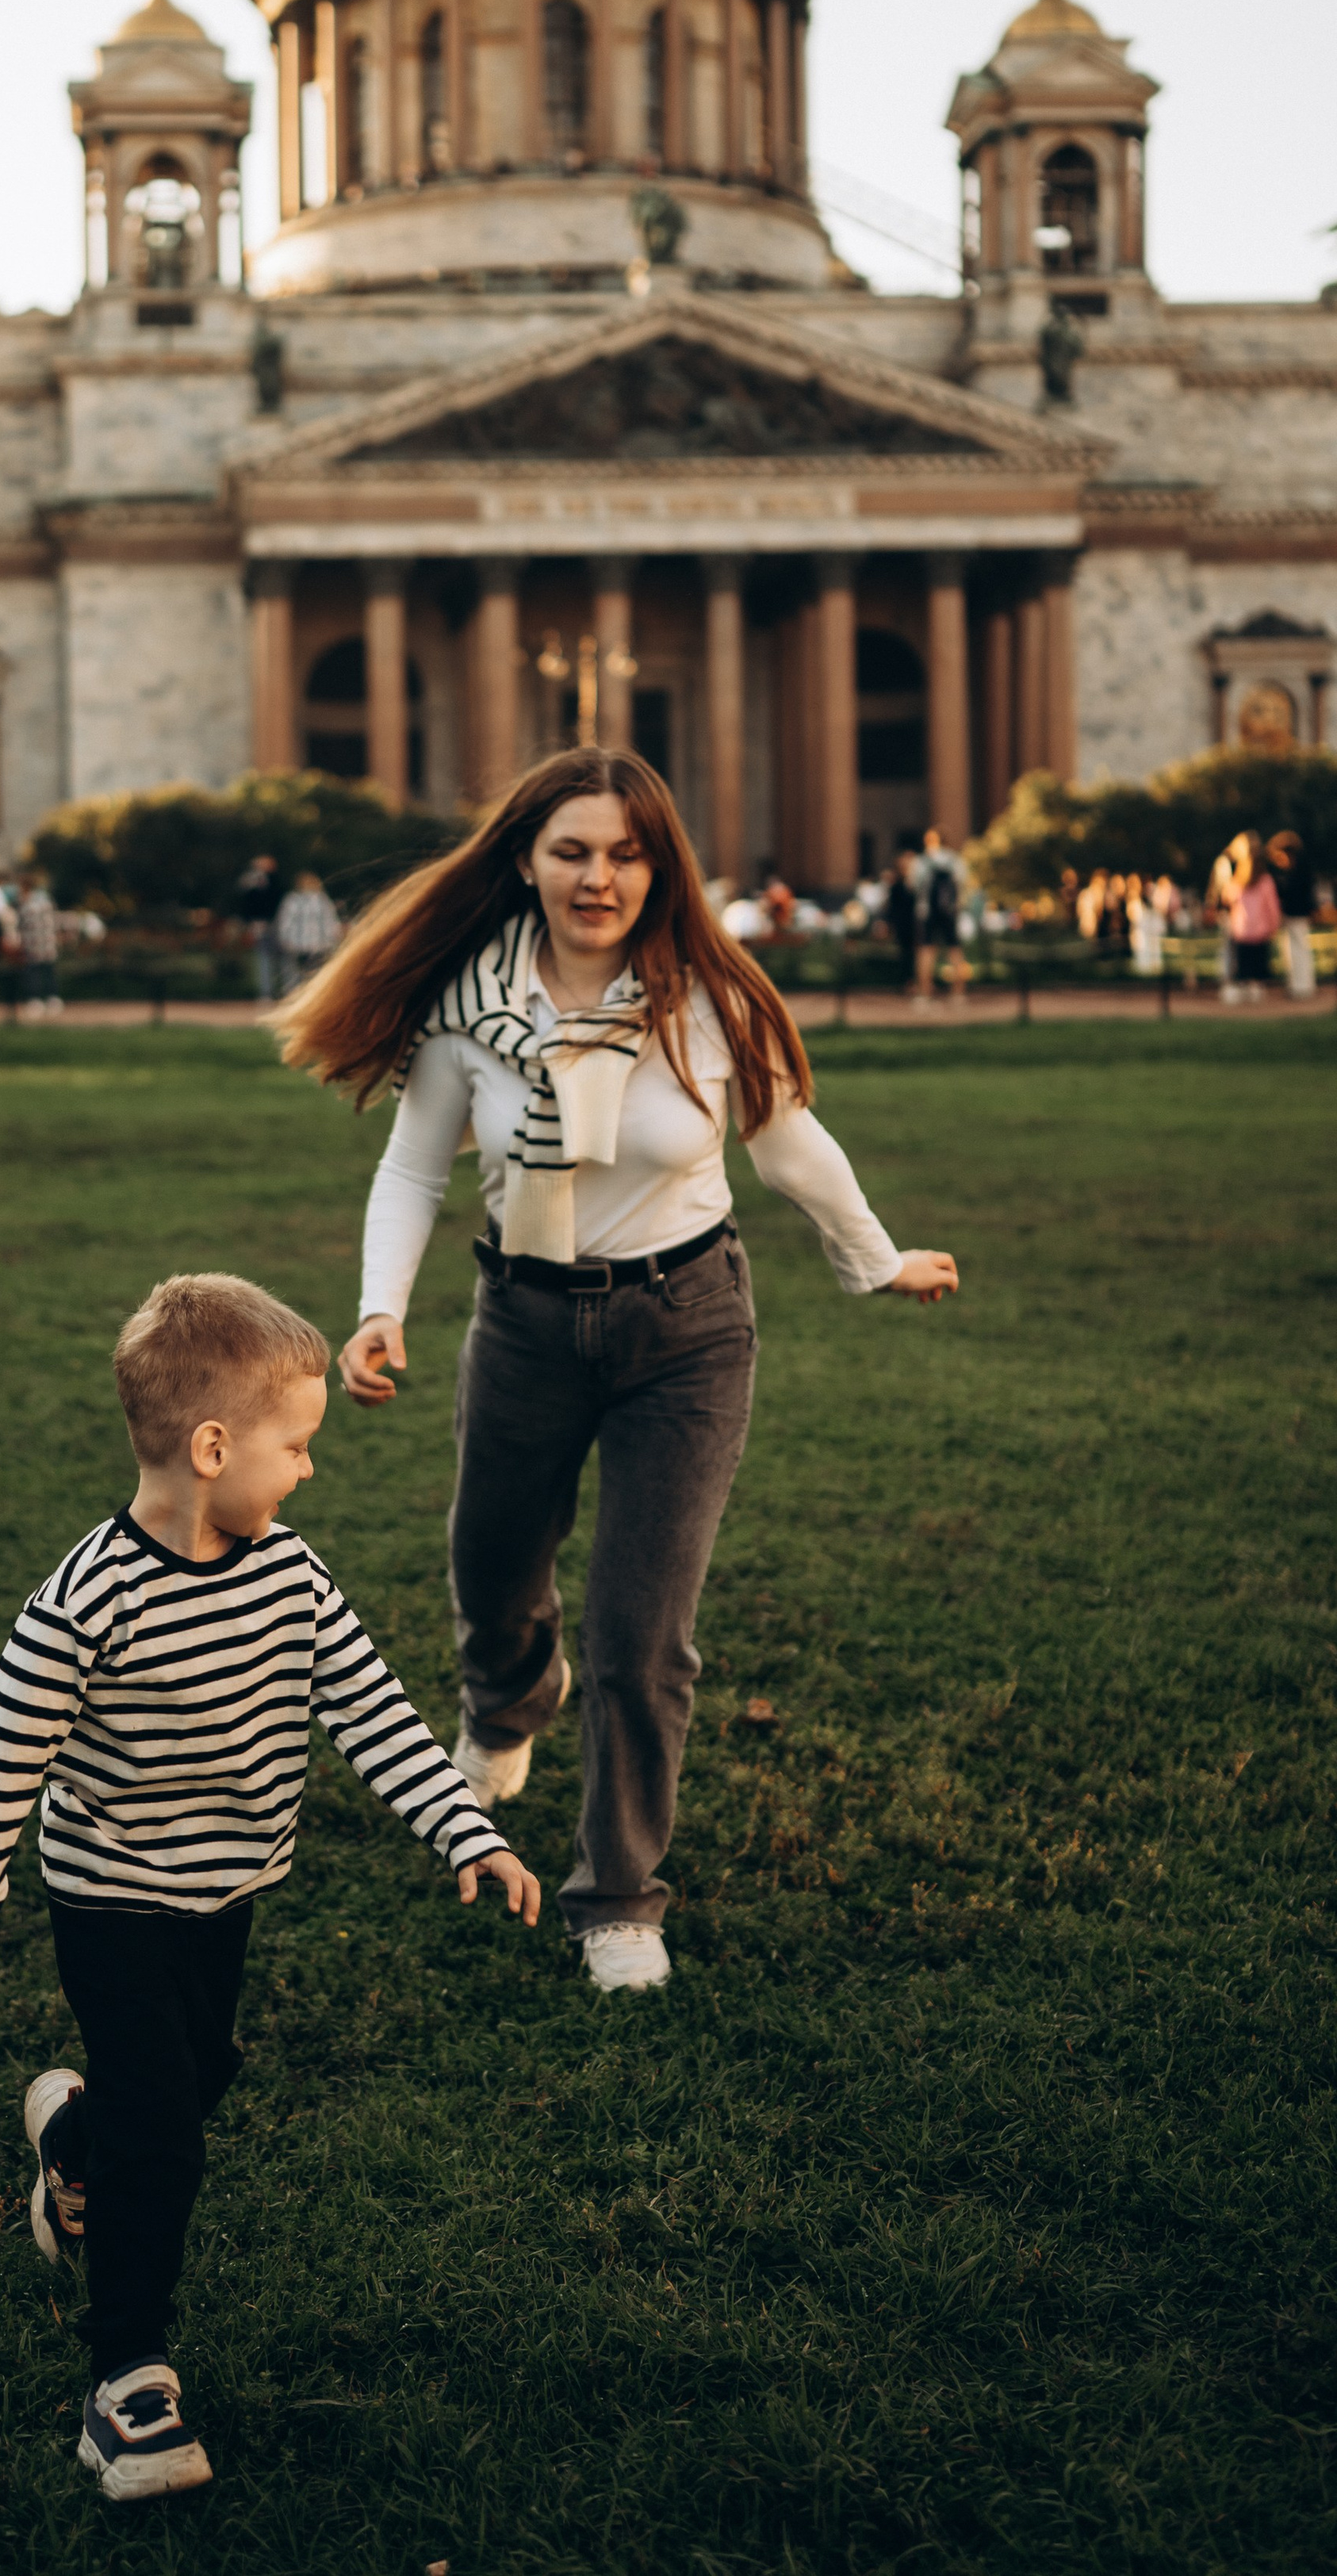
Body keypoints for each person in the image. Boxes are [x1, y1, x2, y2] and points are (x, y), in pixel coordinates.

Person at [279, 747, 958, 1995]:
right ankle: (503, 1706)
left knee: (643, 1632)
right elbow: (414, 1167)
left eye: (628, 850)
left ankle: (619, 1892)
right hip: (523, 1322)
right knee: (493, 1572)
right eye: (574, 849)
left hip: (686, 1325)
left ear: (661, 863)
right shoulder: (469, 1002)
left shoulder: (706, 997)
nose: (601, 876)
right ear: (527, 859)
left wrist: (876, 1257)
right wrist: (379, 1308)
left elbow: (786, 1138)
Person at [0, 1275, 538, 2503]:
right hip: (113, 1898)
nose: (307, 1470)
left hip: (227, 1889)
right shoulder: (83, 1605)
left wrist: (465, 1829)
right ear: (213, 1444)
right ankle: (127, 2378)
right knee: (168, 2130)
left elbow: (371, 1707)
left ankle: (72, 2140)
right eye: (297, 1444)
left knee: (191, 2079)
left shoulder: (288, 1573)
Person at [1223, 835, 1280, 1003]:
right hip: (1260, 930)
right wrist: (1273, 926)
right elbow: (1272, 907)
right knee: (1258, 967)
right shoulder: (1266, 881)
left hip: (1242, 930)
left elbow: (1227, 899)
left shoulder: (1238, 882)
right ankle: (1256, 992)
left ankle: (1246, 990)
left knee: (1244, 966)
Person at [914, 829, 967, 1002]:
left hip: (928, 911)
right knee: (955, 949)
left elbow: (914, 885)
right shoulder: (954, 860)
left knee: (926, 950)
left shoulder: (922, 861)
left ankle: (925, 992)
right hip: (950, 912)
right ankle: (958, 992)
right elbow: (962, 883)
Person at [270, 869, 341, 995]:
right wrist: (333, 937)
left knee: (295, 974)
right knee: (314, 972)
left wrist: (284, 939)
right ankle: (311, 994)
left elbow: (285, 922)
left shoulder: (293, 900)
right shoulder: (320, 900)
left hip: (299, 944)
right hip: (317, 944)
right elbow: (331, 921)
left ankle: (295, 995)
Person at [1268, 832, 1316, 1000]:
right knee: (1291, 950)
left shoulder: (1299, 871)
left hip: (1297, 915)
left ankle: (1302, 986)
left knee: (1299, 950)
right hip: (1292, 915)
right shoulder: (1295, 871)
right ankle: (1297, 983)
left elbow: (1300, 896)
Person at [14, 873, 63, 1018]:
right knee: (49, 971)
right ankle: (53, 999)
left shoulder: (28, 904)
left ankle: (35, 1000)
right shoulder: (45, 899)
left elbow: (22, 923)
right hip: (48, 942)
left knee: (33, 972)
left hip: (34, 943)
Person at [234, 853, 280, 1001]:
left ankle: (285, 990)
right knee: (263, 958)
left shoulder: (276, 881)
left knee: (282, 959)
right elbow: (246, 901)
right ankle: (266, 992)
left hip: (276, 923)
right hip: (259, 924)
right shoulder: (251, 880)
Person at [885, 849, 921, 995]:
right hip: (904, 924)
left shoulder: (919, 885)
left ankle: (919, 981)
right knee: (906, 954)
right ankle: (907, 981)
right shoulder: (897, 885)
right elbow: (892, 908)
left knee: (919, 953)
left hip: (918, 924)